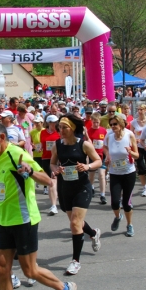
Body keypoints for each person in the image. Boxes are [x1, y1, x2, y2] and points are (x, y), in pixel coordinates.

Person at [0, 122, 77, 290]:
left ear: (1, 137)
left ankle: (65, 288)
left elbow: (47, 181)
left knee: (30, 271)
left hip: (24, 219)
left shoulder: (17, 154)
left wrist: (30, 171)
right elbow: (6, 189)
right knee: (2, 268)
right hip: (4, 220)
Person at [50, 114, 102, 275]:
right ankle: (93, 233)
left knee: (74, 223)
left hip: (82, 187)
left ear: (72, 128)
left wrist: (87, 167)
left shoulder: (84, 144)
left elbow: (98, 161)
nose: (61, 130)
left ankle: (75, 261)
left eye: (64, 127)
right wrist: (56, 170)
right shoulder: (57, 144)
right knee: (76, 223)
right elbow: (52, 163)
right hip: (65, 187)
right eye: (59, 127)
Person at [104, 113, 138, 237]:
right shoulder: (109, 136)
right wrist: (107, 155)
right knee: (114, 202)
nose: (113, 126)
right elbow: (104, 147)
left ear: (121, 124)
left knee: (126, 203)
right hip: (115, 173)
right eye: (111, 124)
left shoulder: (129, 135)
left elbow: (137, 155)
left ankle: (129, 225)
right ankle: (118, 216)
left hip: (129, 173)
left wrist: (130, 152)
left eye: (115, 124)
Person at [39, 114, 60, 214]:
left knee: (56, 181)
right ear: (48, 123)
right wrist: (40, 148)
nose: (54, 124)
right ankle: (53, 206)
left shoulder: (59, 132)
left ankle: (56, 200)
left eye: (56, 122)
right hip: (46, 159)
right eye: (52, 122)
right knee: (51, 181)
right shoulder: (43, 132)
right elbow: (42, 143)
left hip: (58, 159)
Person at [86, 112, 107, 204]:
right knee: (92, 175)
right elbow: (87, 145)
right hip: (92, 156)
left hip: (101, 156)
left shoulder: (103, 130)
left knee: (102, 175)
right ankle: (91, 188)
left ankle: (102, 195)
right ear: (91, 121)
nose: (96, 124)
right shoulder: (89, 131)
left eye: (97, 122)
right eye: (94, 122)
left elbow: (105, 143)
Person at [130, 103, 146, 197]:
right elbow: (131, 135)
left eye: (141, 109)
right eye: (138, 109)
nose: (139, 111)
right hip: (138, 146)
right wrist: (135, 139)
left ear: (145, 110)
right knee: (141, 166)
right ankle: (144, 187)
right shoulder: (134, 122)